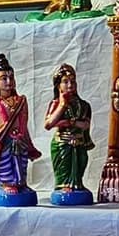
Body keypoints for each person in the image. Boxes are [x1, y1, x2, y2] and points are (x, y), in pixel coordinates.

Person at [0, 54, 41, 204]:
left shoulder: (21, 101)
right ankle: (7, 184)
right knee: (5, 164)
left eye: (11, 77)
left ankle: (21, 184)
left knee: (21, 163)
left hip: (20, 141)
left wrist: (29, 144)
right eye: (4, 78)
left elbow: (24, 125)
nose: (9, 82)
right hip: (2, 142)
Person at [44, 64, 94, 202]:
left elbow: (85, 125)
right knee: (64, 169)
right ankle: (63, 186)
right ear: (58, 86)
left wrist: (70, 122)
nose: (70, 85)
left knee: (80, 163)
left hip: (79, 143)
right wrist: (62, 105)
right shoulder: (56, 104)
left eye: (72, 81)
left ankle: (77, 184)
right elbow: (48, 124)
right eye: (65, 82)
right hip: (62, 144)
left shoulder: (84, 105)